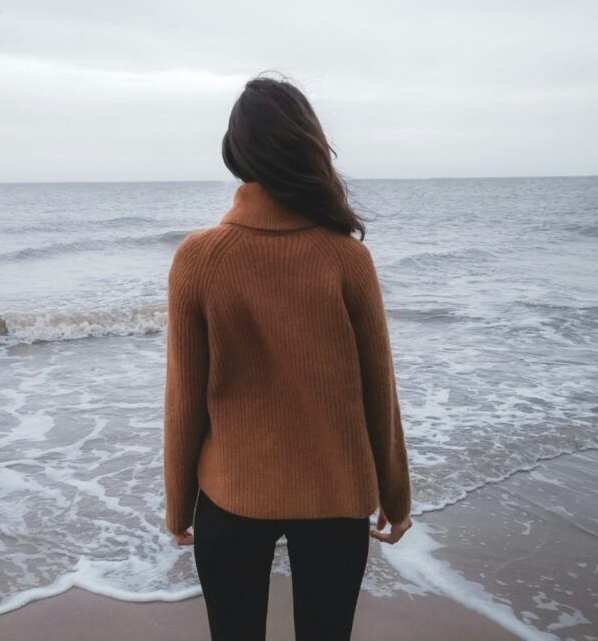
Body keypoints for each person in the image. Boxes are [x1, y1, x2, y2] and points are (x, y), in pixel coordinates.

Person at [163, 73, 413, 641]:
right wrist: (395, 495)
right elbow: (381, 390)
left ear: (235, 152)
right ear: (308, 148)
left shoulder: (198, 259)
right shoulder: (345, 258)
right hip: (335, 495)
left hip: (230, 496)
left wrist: (179, 503)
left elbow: (185, 396)